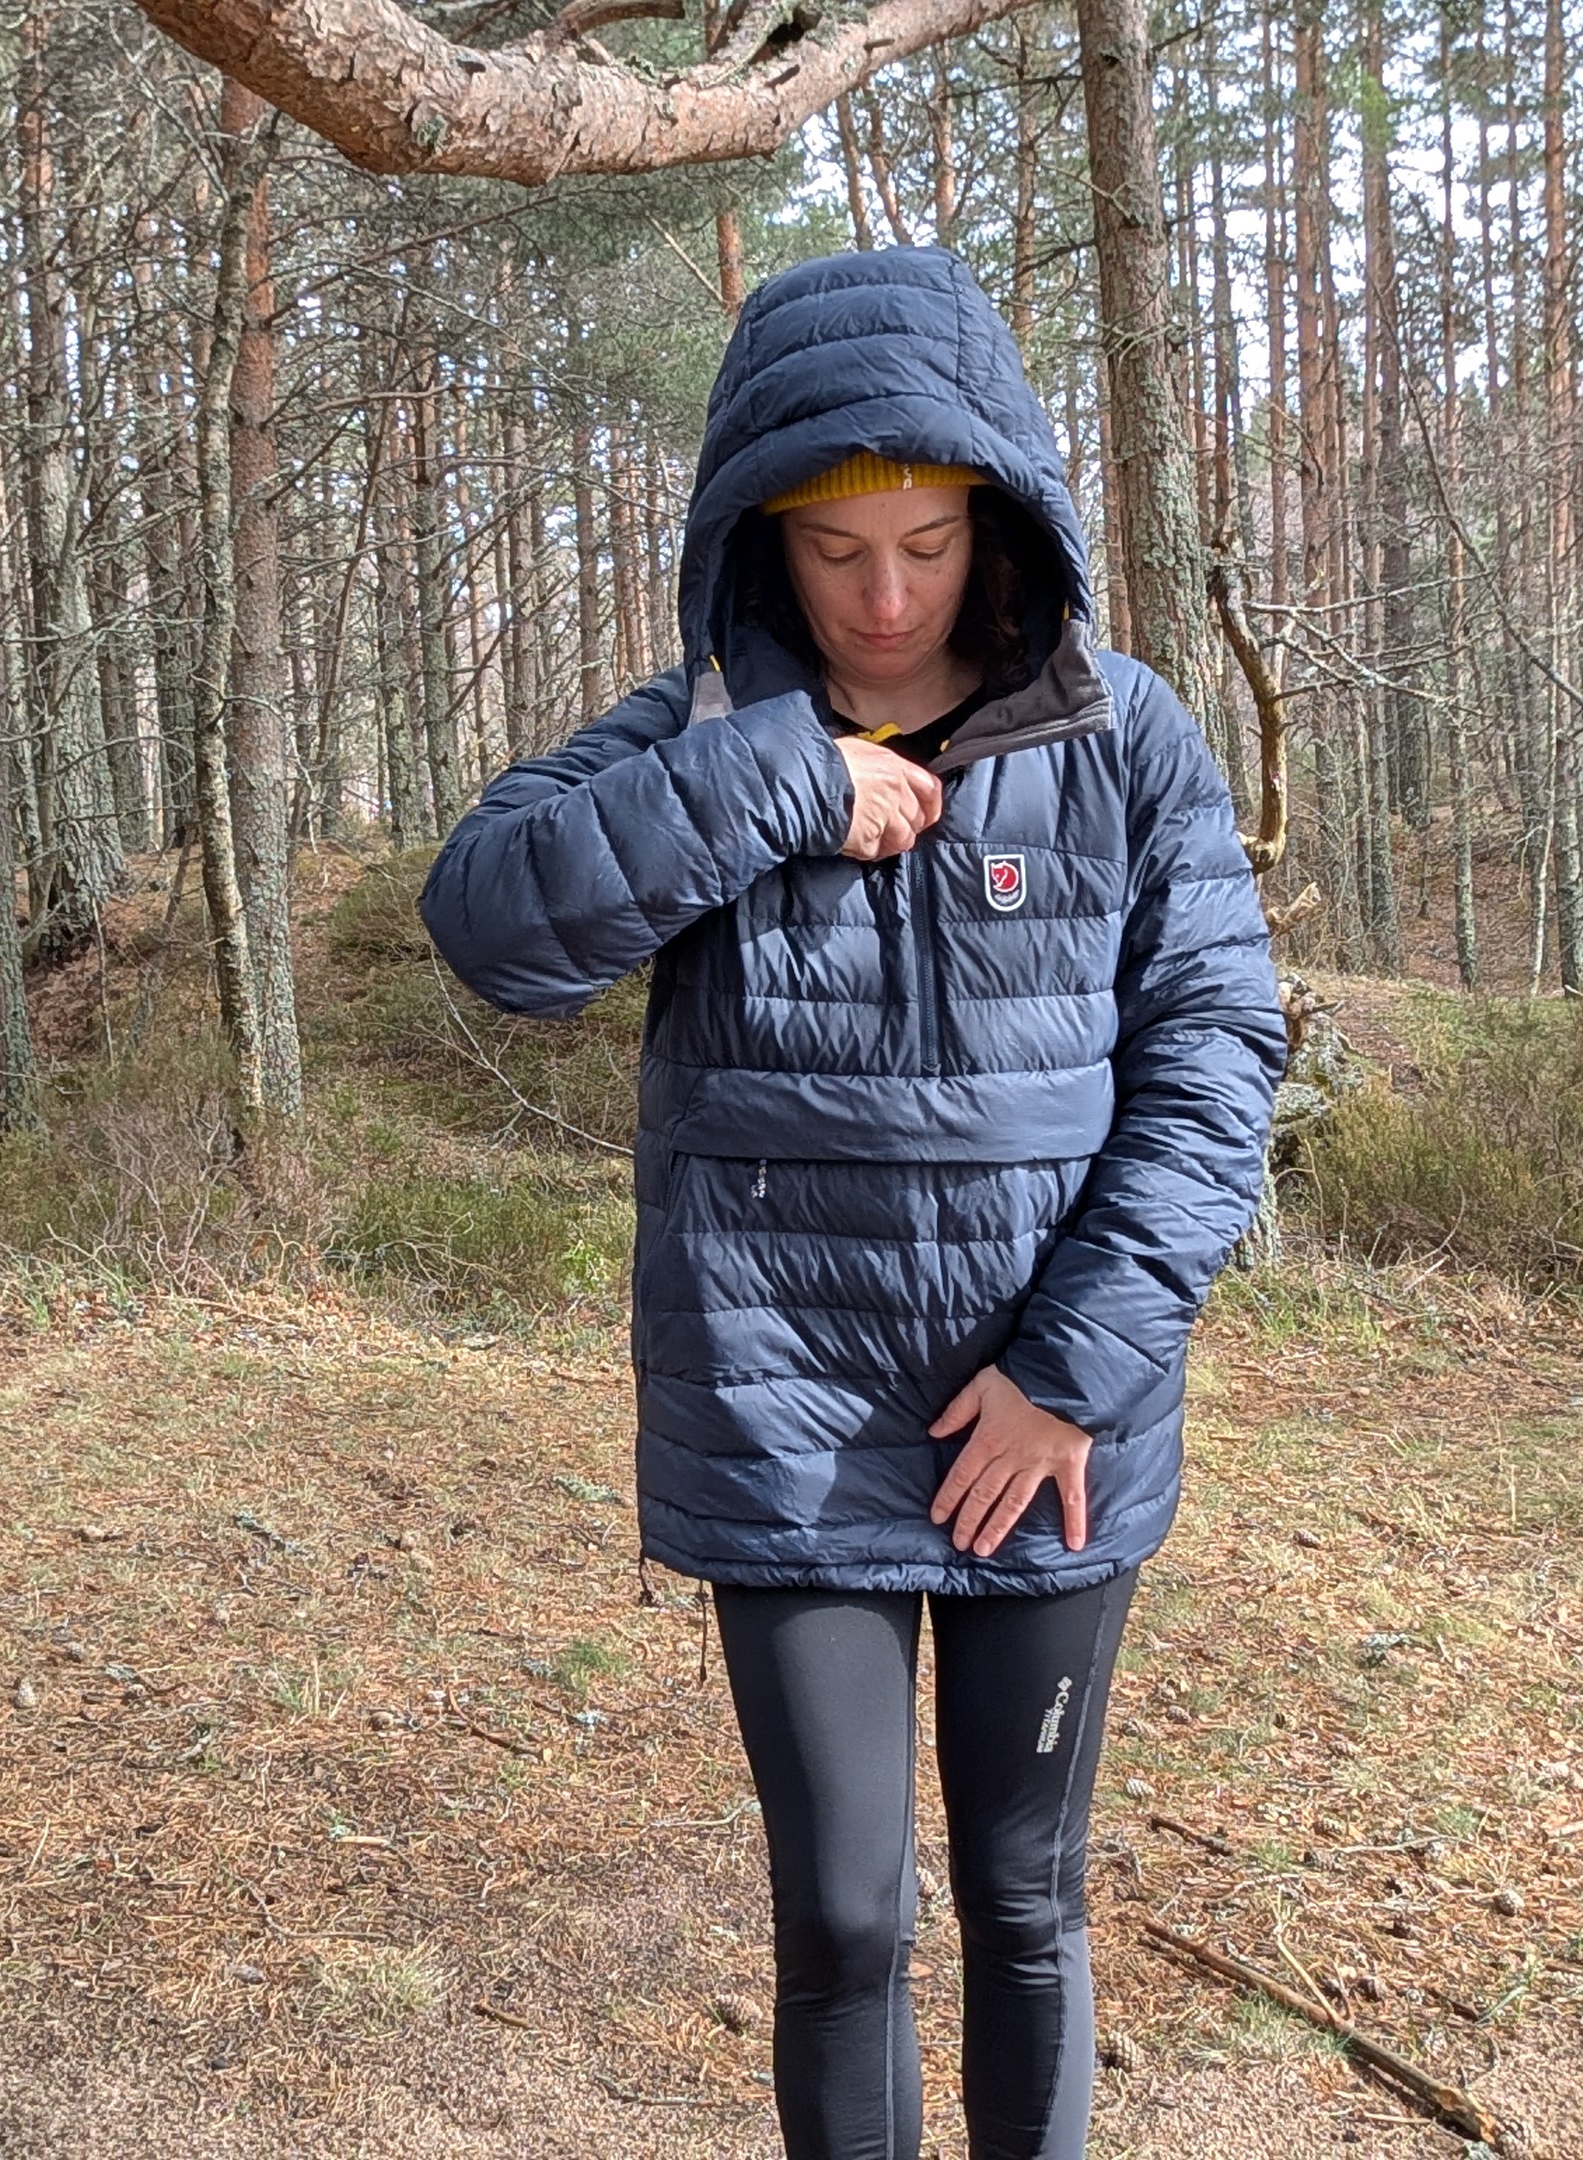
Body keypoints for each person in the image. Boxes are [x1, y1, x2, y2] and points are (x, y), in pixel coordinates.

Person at [419, 246, 1285, 2160]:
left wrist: (1075, 1368)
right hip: (787, 1418)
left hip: (1047, 1422)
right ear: (760, 539)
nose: (885, 601)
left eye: (925, 544)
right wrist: (773, 784)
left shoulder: (1126, 739)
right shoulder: (705, 737)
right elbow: (490, 927)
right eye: (832, 555)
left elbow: (1221, 1063)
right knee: (840, 1917)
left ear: (1001, 522)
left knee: (1027, 1906)